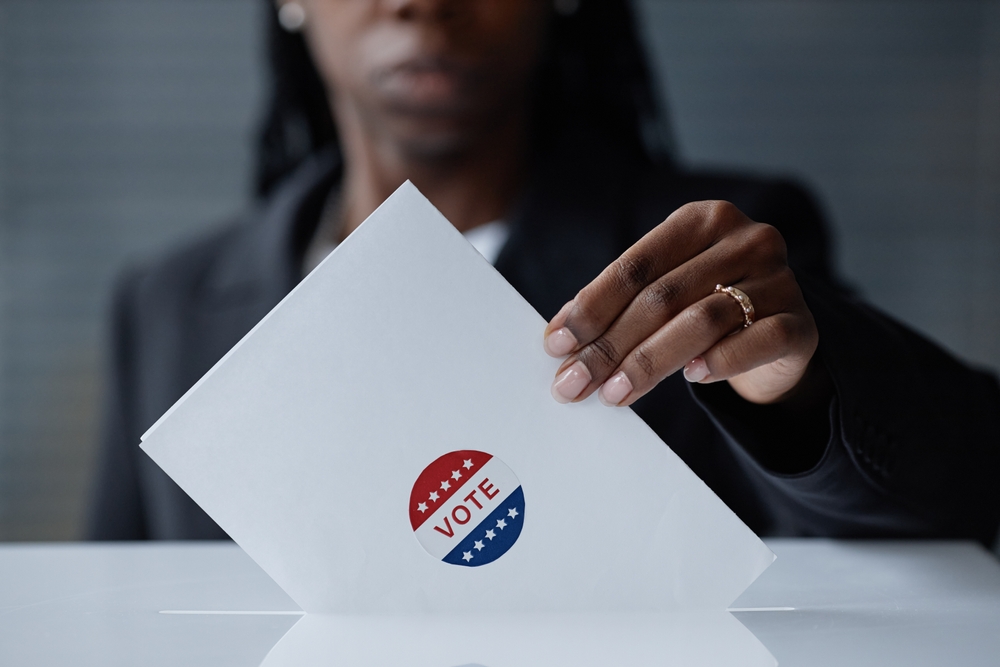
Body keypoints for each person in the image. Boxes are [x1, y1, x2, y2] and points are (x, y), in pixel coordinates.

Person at [88, 0, 1000, 545]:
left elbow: (955, 497)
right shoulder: (166, 304)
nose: (422, 1)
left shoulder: (717, 257)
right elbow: (117, 615)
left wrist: (797, 395)